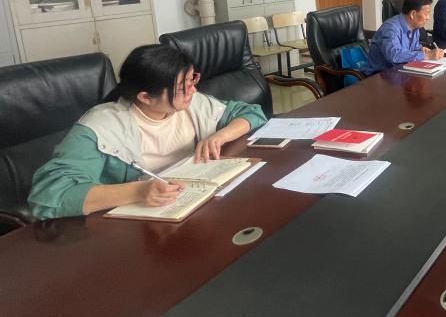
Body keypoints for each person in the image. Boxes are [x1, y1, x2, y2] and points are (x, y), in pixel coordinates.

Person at [28, 44, 267, 219]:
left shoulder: (191, 104)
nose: (193, 90)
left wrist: (220, 135)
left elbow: (251, 113)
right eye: (183, 86)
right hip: (134, 225)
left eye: (192, 79)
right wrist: (139, 191)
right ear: (145, 97)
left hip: (192, 203)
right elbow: (49, 196)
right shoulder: (102, 127)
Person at [366, 0, 444, 73]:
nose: (428, 18)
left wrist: (420, 49)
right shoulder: (391, 28)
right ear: (413, 14)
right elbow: (394, 56)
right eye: (426, 14)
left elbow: (411, 48)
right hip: (380, 75)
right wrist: (426, 56)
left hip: (401, 71)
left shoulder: (415, 28)